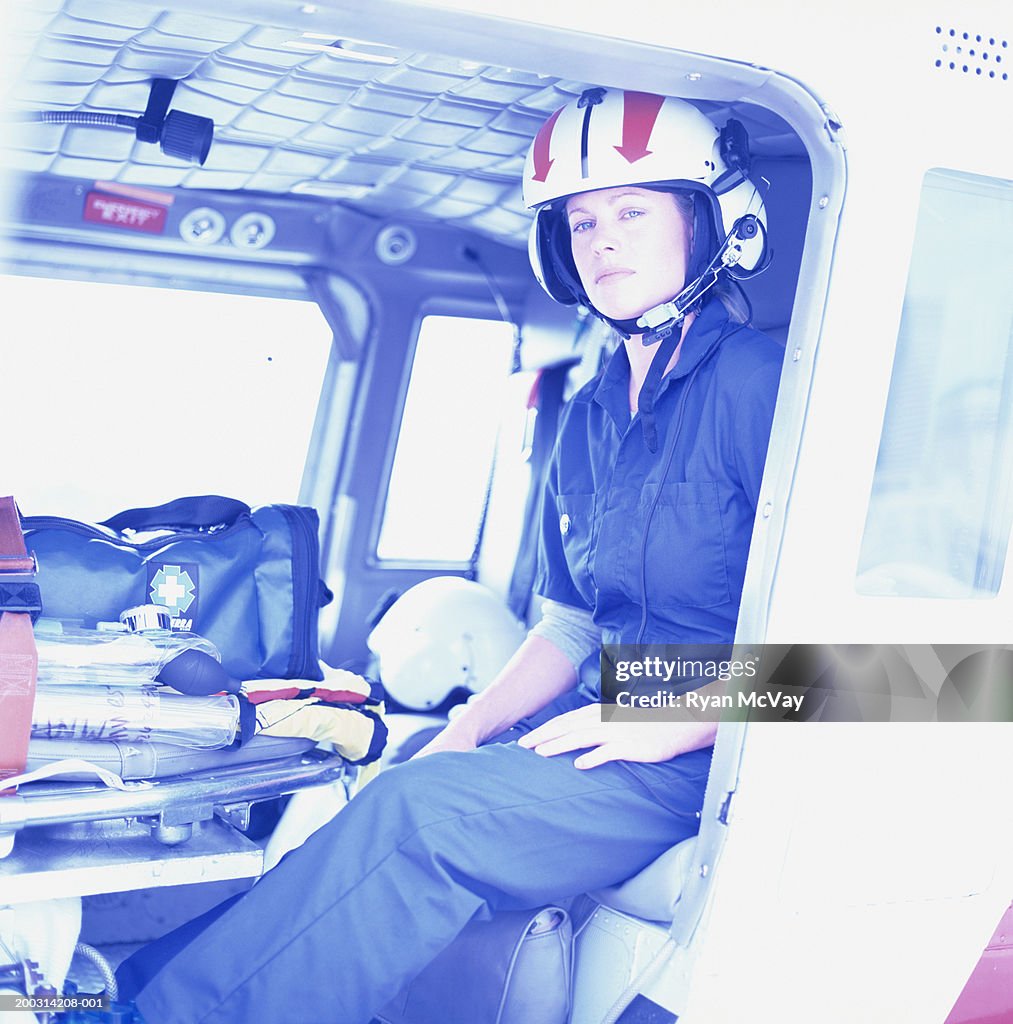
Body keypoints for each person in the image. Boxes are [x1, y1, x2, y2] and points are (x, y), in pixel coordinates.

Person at [121, 87, 783, 1024]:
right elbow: (571, 621)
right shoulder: (593, 410)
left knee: (419, 821)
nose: (602, 241)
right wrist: (465, 726)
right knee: (388, 788)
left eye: (633, 211)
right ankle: (114, 1000)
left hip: (717, 750)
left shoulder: (764, 390)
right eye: (582, 220)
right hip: (609, 716)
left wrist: (671, 720)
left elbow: (932, 668)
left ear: (712, 222)